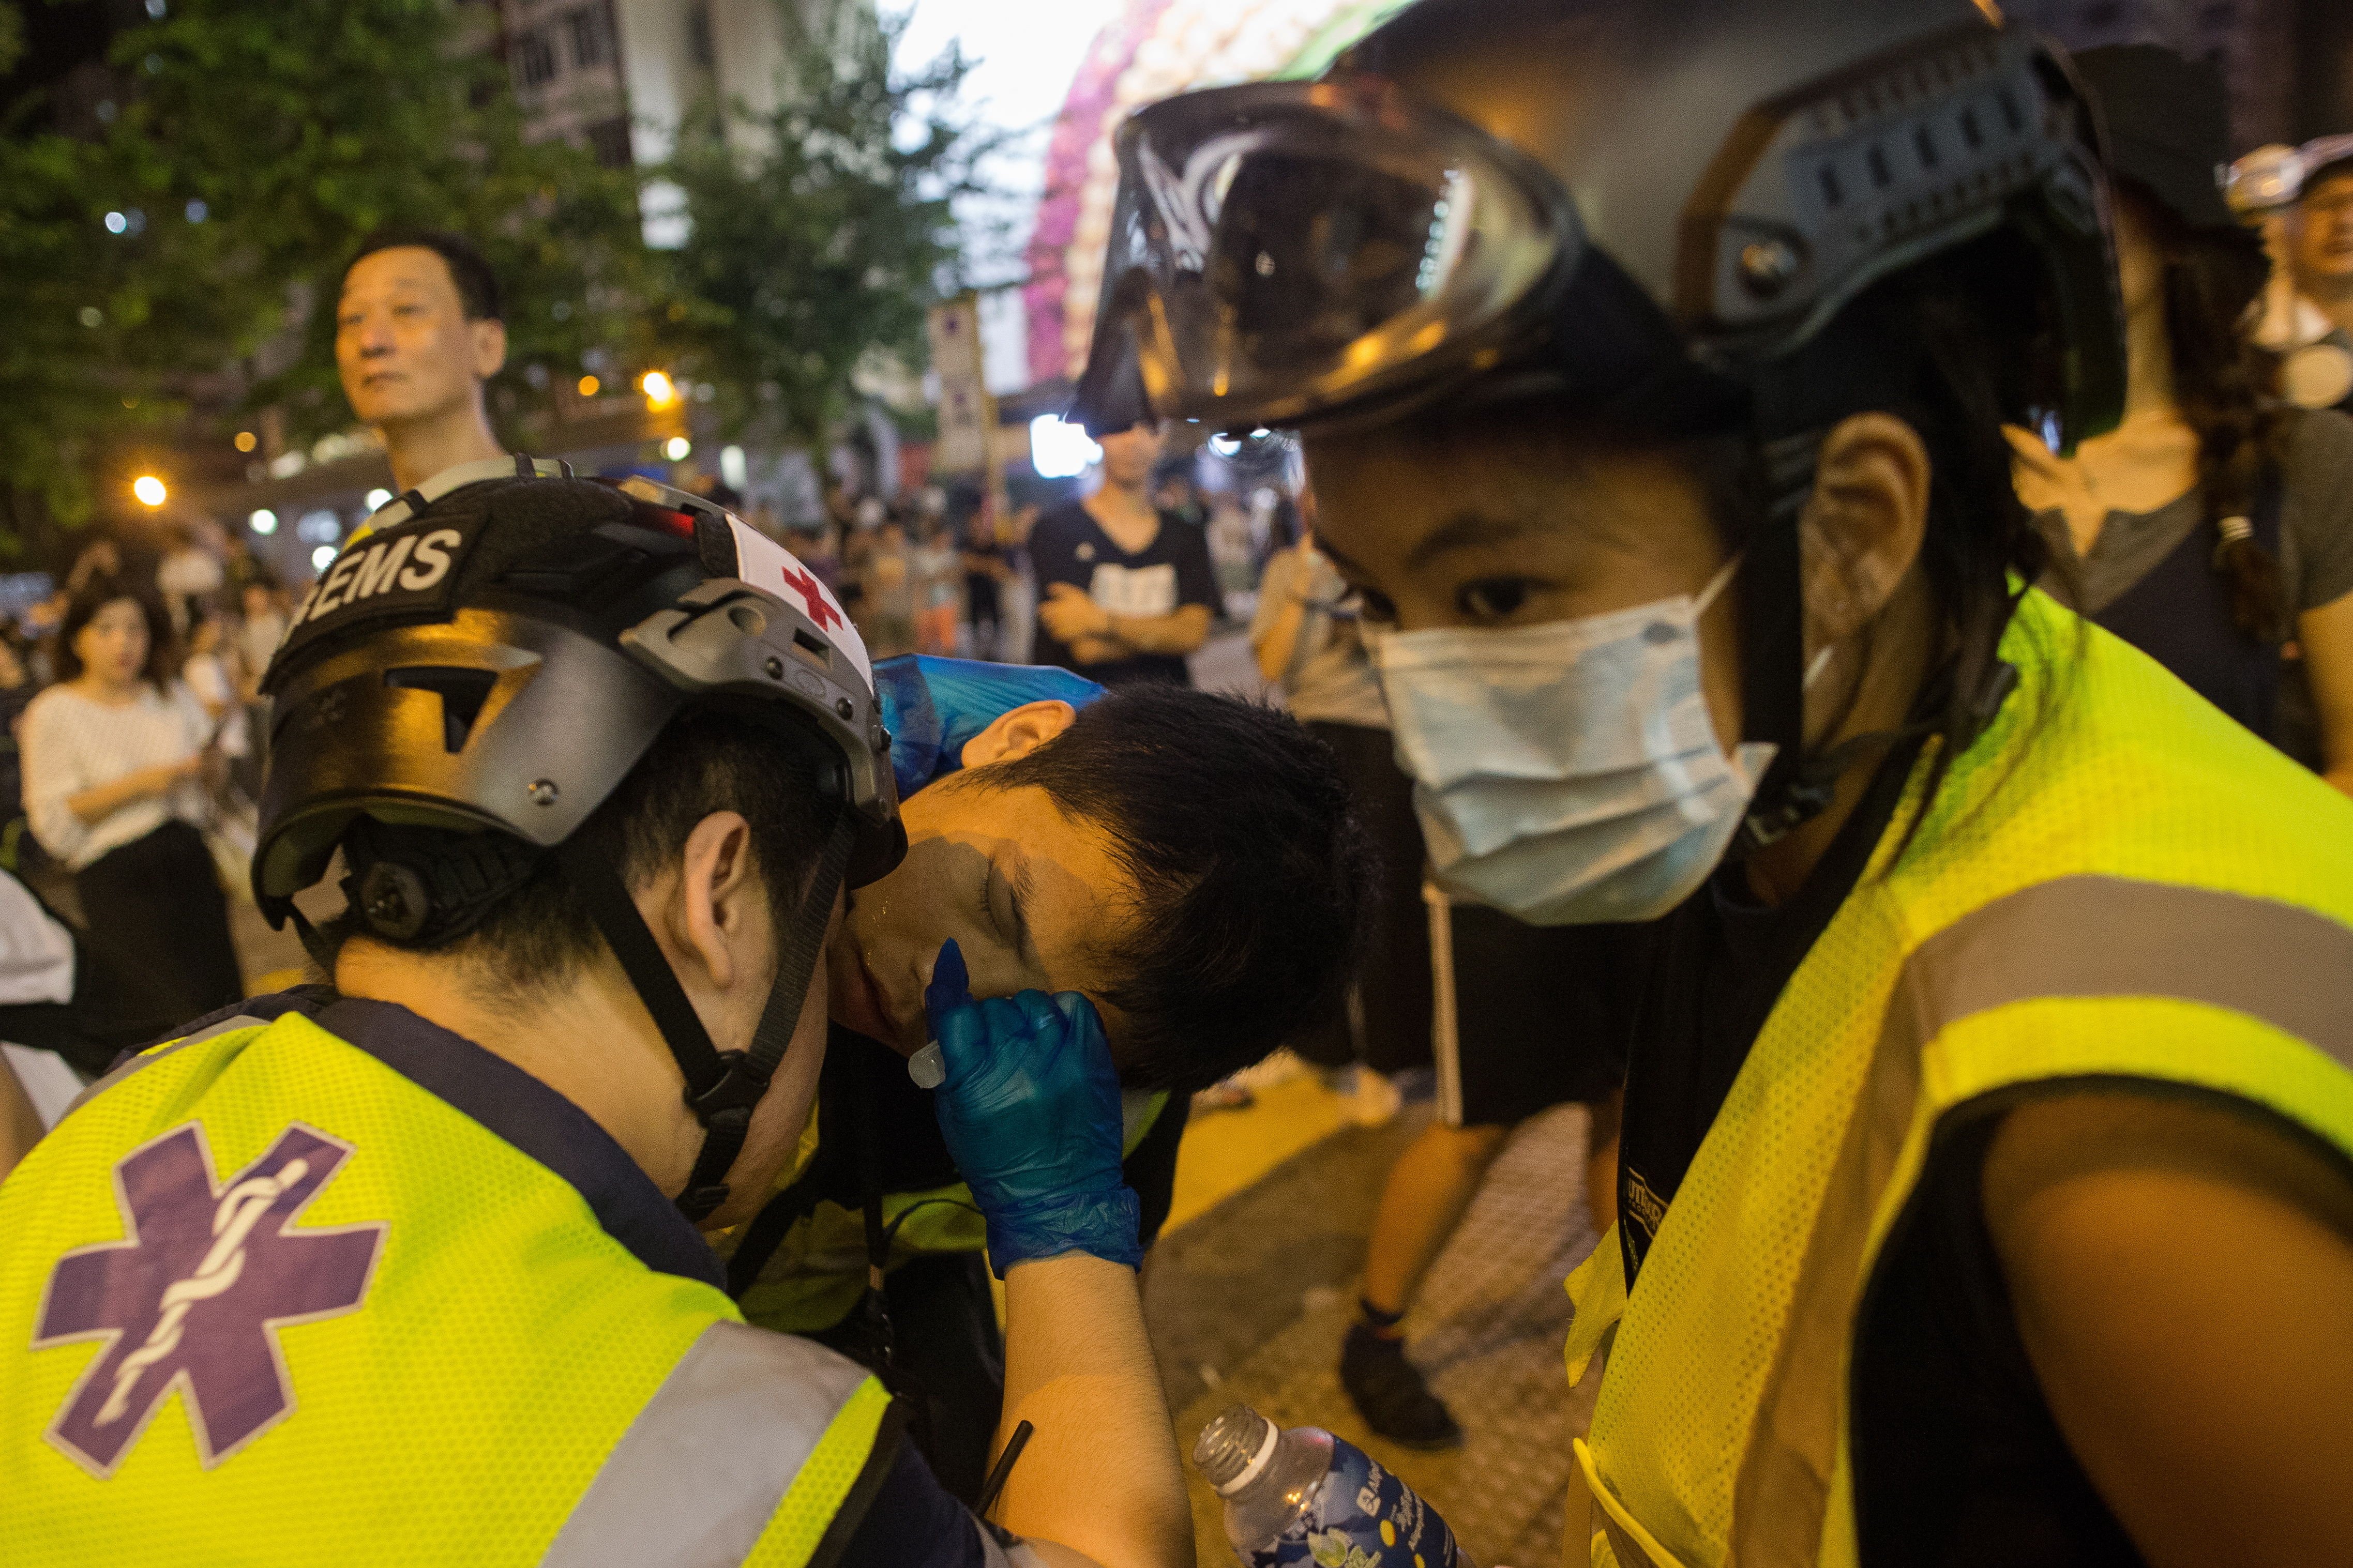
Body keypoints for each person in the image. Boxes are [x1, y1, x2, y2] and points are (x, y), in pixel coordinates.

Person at [1071, 2, 2353, 1562]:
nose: (1425, 710)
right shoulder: (1782, 788)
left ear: (1854, 531)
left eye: (1496, 599)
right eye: (1370, 598)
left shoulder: (2119, 1160)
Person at [0, 467, 1192, 1566]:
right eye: (814, 897)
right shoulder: (735, 1445)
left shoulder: (127, 1104)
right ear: (718, 895)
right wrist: (1068, 1225)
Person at [723, 652, 1370, 1498]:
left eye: (1029, 1029)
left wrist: (1063, 1218)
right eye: (998, 900)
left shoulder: (1111, 1110)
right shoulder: (730, 820)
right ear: (1016, 737)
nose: (943, 992)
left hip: (855, 1304)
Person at [1252, 513, 1630, 1448]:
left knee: (1621, 1098)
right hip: (1502, 866)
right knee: (1475, 1123)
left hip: (1622, 855)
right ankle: (1375, 1334)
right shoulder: (1417, 539)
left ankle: (1638, 1314)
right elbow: (1296, 656)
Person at [2007, 47, 2353, 795]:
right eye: (2025, 192)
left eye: (2081, 187)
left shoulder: (2303, 462)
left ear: (2167, 226)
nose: (2050, 223)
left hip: (2236, 901)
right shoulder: (1942, 469)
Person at [20, 586, 242, 1032]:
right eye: (105, 629)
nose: (123, 642)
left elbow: (209, 790)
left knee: (226, 1002)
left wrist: (210, 765)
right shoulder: (54, 711)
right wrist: (145, 783)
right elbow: (53, 818)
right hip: (118, 879)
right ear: (77, 639)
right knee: (166, 1018)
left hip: (189, 859)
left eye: (135, 629)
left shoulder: (171, 694)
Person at [1029, 422, 1217, 686]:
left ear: (1162, 438)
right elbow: (1087, 649)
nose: (1134, 441)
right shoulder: (1056, 529)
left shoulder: (1187, 535)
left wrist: (1101, 621)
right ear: (1097, 435)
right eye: (1122, 427)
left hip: (1171, 716)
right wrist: (1165, 633)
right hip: (1084, 717)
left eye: (1148, 429)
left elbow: (1193, 635)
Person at [335, 228, 509, 493]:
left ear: (487, 347)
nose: (370, 342)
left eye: (407, 310)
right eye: (353, 318)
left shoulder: (566, 520)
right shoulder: (371, 535)